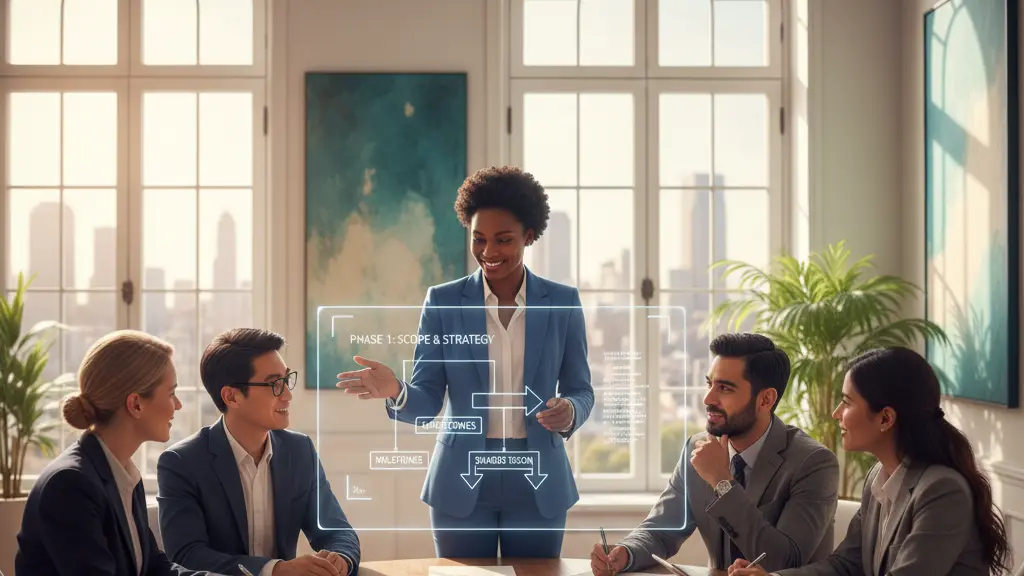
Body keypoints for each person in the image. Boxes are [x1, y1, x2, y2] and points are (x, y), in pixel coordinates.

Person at [336, 165, 594, 557]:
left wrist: (570, 410)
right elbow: (427, 400)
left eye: (503, 240)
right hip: (461, 480)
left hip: (538, 479)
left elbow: (581, 389)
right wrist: (396, 390)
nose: (489, 252)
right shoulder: (442, 302)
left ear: (528, 236)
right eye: (479, 239)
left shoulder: (563, 302)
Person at [728, 347, 1011, 576]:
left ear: (885, 418)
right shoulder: (879, 476)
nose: (836, 413)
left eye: (847, 401)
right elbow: (846, 565)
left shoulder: (942, 491)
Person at [591, 333, 840, 575]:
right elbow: (662, 530)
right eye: (709, 384)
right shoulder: (697, 448)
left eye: (725, 388)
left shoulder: (813, 463)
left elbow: (783, 562)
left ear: (765, 400)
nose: (708, 398)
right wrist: (626, 552)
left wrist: (722, 482)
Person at [157, 329, 360, 576]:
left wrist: (340, 559)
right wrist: (274, 570)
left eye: (286, 380)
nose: (287, 395)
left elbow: (337, 531)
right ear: (231, 396)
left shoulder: (299, 451)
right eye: (275, 384)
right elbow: (187, 555)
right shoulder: (182, 462)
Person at [15, 330, 218, 576]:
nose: (178, 405)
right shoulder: (70, 484)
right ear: (135, 404)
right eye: (171, 393)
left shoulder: (123, 475)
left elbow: (154, 568)